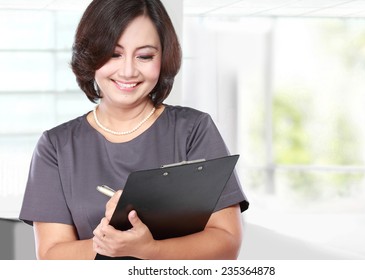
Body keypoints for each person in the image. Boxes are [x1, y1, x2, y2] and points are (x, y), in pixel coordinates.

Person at [19, 0, 248, 260]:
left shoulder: (193, 130)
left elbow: (227, 242)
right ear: (90, 54)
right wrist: (109, 242)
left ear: (164, 57)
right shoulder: (56, 146)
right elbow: (51, 256)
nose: (128, 71)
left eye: (145, 56)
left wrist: (150, 250)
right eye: (114, 54)